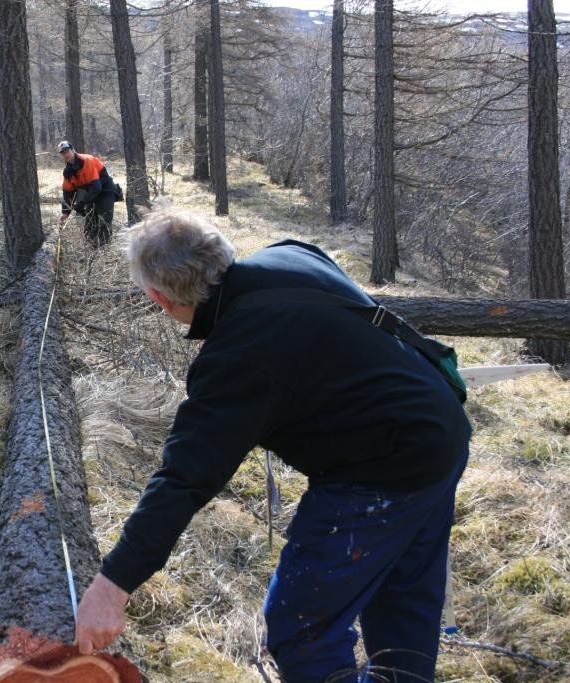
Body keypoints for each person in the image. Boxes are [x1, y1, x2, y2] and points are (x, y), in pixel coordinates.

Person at [74, 208, 472, 682]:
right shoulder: (290, 255)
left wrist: (111, 586)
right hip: (440, 426)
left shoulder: (239, 356)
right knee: (404, 612)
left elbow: (183, 479)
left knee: (301, 629)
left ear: (159, 298)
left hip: (383, 472)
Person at [57, 140, 122, 247]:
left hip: (105, 191)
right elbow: (68, 193)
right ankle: (91, 250)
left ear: (73, 150)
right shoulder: (67, 171)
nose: (66, 154)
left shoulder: (87, 160)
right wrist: (65, 212)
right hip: (92, 194)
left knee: (104, 222)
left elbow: (96, 187)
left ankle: (104, 251)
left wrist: (82, 202)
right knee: (89, 225)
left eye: (67, 151)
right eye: (63, 153)